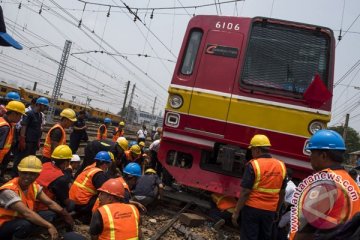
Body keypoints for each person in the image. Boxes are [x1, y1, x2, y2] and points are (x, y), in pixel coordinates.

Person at [290, 130, 360, 240]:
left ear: (323, 155)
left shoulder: (325, 183)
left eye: (312, 153)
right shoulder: (350, 182)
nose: (310, 157)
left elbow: (307, 229)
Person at [0, 156, 74, 240]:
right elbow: (27, 213)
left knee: (50, 214)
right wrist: (49, 226)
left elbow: (50, 203)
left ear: (37, 175)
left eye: (32, 174)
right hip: (4, 224)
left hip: (21, 218)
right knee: (24, 225)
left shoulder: (33, 186)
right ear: (19, 172)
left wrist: (65, 214)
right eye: (25, 173)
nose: (28, 177)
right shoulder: (9, 191)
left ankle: (30, 232)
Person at [231, 134, 287, 240]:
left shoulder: (253, 165)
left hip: (252, 209)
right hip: (270, 211)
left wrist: (236, 212)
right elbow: (282, 193)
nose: (251, 153)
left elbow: (245, 192)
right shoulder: (281, 166)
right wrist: (277, 211)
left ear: (257, 150)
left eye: (252, 150)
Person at [69, 151, 112, 222]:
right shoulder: (99, 175)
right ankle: (89, 218)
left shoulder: (89, 168)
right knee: (104, 197)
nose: (108, 167)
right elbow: (104, 192)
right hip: (82, 204)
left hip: (73, 201)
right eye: (108, 164)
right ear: (104, 164)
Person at [14, 97, 49, 175]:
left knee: (29, 159)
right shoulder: (29, 114)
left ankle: (24, 173)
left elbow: (39, 128)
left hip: (34, 142)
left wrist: (38, 141)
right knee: (21, 159)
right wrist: (22, 139)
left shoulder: (40, 115)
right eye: (44, 106)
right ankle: (15, 174)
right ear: (39, 105)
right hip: (27, 141)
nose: (45, 108)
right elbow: (24, 126)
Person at [36, 145, 74, 211]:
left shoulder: (45, 164)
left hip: (31, 199)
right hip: (41, 207)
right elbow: (64, 199)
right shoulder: (61, 178)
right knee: (71, 204)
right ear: (65, 163)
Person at [0, 101, 26, 179]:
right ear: (14, 114)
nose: (20, 118)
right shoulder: (5, 127)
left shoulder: (4, 122)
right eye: (20, 115)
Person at [277, 168, 296, 240]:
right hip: (287, 211)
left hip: (289, 212)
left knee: (278, 226)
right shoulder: (289, 185)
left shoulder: (289, 186)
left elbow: (280, 199)